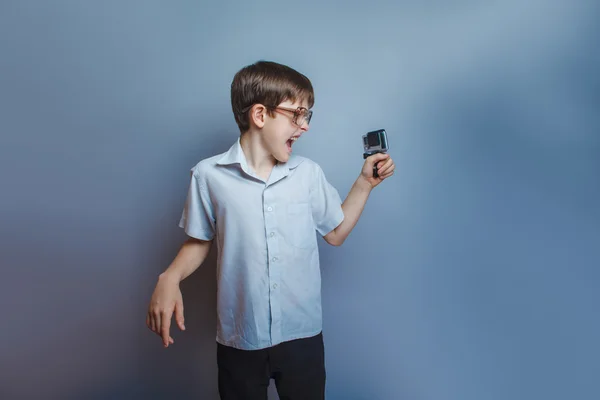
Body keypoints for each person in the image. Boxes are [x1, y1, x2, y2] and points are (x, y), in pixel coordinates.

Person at [146, 60, 395, 399]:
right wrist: (170, 277)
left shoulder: (307, 174)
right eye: (298, 115)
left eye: (309, 116)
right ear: (260, 115)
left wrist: (365, 183)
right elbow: (199, 240)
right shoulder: (208, 175)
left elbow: (335, 233)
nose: (305, 126)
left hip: (302, 337)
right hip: (241, 339)